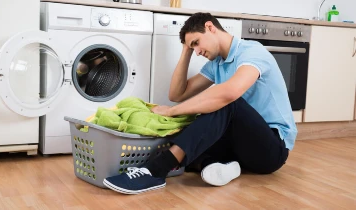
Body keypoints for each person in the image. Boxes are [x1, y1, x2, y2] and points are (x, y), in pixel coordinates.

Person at [102, 12, 297, 195]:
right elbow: (177, 94)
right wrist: (185, 50)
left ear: (210, 27)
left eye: (196, 43)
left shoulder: (252, 52)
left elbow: (229, 93)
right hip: (240, 147)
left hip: (272, 149)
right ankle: (220, 167)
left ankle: (155, 170)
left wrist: (172, 112)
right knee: (194, 128)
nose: (197, 52)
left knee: (225, 102)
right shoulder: (217, 64)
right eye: (192, 47)